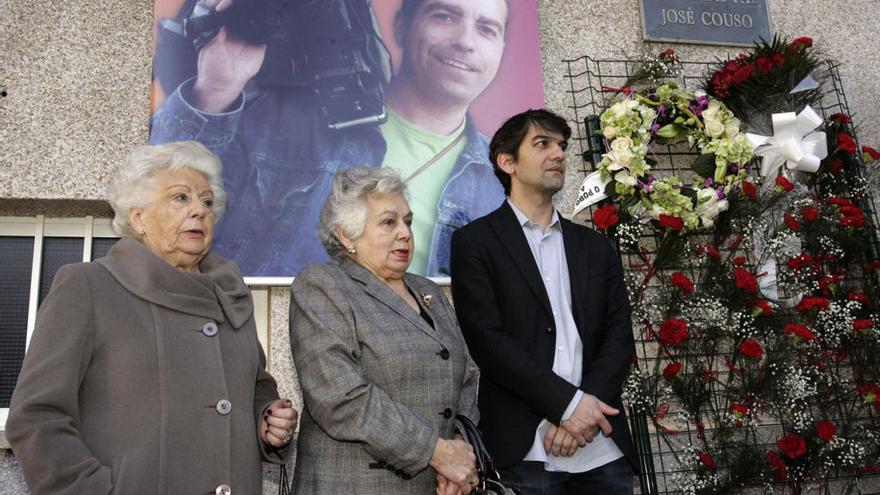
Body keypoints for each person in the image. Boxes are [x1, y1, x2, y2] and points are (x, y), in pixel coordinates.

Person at [6, 141, 298, 494]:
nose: (199, 211)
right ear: (138, 217)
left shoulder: (231, 295)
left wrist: (267, 419)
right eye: (180, 198)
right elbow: (37, 415)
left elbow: (253, 387)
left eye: (207, 202)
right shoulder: (88, 286)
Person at [149, 0, 508, 277]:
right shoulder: (279, 120)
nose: (465, 42)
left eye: (488, 29)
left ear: (501, 49)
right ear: (401, 27)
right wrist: (215, 88)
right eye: (444, 16)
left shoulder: (503, 179)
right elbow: (160, 203)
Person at [449, 109, 638, 494]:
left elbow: (619, 334)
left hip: (602, 447)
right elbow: (489, 342)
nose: (558, 155)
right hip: (526, 450)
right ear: (507, 162)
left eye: (562, 146)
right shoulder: (475, 243)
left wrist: (583, 410)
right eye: (542, 144)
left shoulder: (594, 247)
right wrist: (567, 407)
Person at [288, 166, 480, 494]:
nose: (405, 232)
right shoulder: (322, 285)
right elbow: (340, 397)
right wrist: (438, 452)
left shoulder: (427, 290)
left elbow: (467, 375)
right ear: (347, 235)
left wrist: (459, 450)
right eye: (389, 222)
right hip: (354, 485)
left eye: (407, 220)